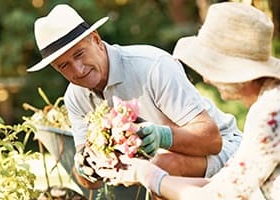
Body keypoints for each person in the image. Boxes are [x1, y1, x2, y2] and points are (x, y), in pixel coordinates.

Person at [27, 3, 242, 194]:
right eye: (64, 66)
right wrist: (86, 167)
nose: (78, 70)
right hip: (153, 172)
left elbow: (212, 140)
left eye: (79, 54)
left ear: (96, 40)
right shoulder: (75, 97)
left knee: (157, 167)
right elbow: (88, 183)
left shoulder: (152, 66)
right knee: (150, 170)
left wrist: (162, 136)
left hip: (227, 153)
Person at [97, 2, 280, 199]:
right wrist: (149, 174)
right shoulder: (268, 103)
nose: (207, 79)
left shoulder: (270, 114)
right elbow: (223, 184)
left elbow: (217, 197)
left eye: (210, 67)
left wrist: (149, 175)